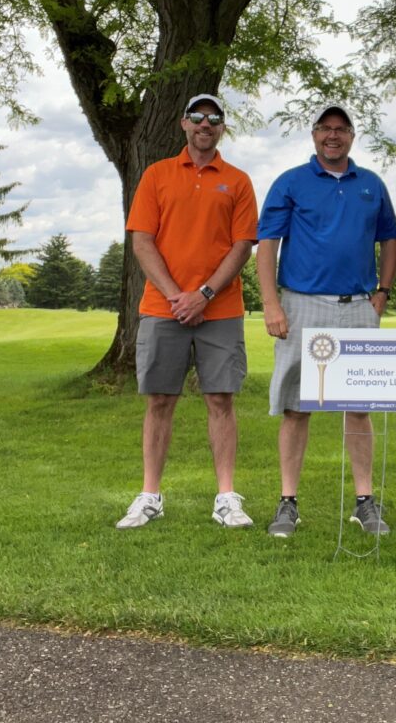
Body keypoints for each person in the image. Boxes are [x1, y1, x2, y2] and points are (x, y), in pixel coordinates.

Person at [256, 104, 396, 537]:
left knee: (358, 408)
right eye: (325, 129)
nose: (332, 136)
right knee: (297, 408)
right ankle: (288, 503)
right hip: (302, 303)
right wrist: (271, 303)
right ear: (314, 135)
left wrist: (382, 293)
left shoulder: (371, 184)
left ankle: (364, 502)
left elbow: (389, 240)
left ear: (352, 136)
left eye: (341, 129)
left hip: (357, 305)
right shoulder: (291, 182)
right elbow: (267, 245)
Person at [116, 94, 258, 530]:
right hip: (163, 308)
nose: (205, 124)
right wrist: (179, 295)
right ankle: (150, 495)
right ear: (183, 123)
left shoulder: (237, 181)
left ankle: (226, 498)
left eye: (214, 118)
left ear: (222, 128)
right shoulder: (156, 175)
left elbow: (241, 246)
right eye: (198, 117)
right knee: (160, 400)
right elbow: (142, 241)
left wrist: (204, 294)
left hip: (220, 309)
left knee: (220, 399)